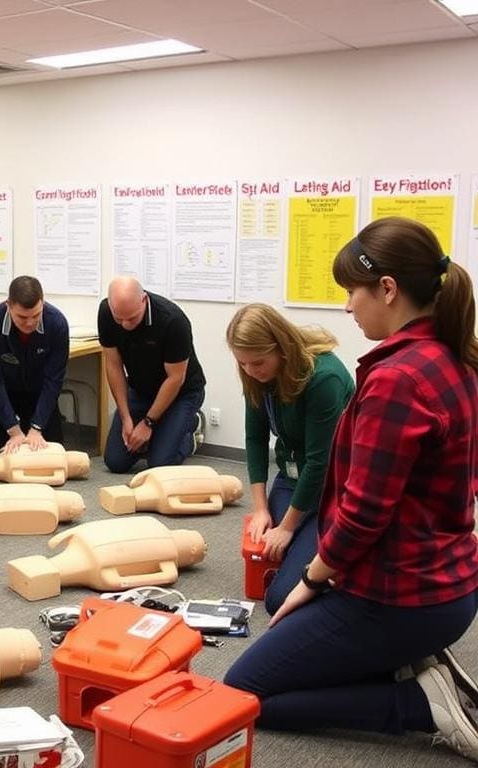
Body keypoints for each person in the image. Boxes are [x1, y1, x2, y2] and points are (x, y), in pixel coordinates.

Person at [224, 217, 478, 761]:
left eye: (351, 292)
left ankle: (417, 703)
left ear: (387, 289)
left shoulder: (397, 377)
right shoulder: (454, 355)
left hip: (402, 597)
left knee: (240, 692)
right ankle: (400, 661)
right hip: (445, 585)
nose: (346, 308)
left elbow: (363, 514)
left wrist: (313, 580)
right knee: (286, 632)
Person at [226, 303, 354, 615]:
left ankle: (341, 563)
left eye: (257, 362)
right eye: (243, 364)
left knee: (279, 597)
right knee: (273, 545)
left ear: (281, 348)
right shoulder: (255, 374)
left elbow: (319, 462)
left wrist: (286, 527)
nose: (251, 371)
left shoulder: (324, 377)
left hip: (337, 484)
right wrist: (259, 508)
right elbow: (255, 439)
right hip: (293, 478)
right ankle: (320, 552)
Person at [98, 276, 206, 472]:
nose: (125, 325)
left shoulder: (172, 321)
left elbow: (175, 378)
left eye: (132, 317)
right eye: (118, 318)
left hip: (181, 392)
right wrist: (126, 417)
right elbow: (114, 366)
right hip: (140, 390)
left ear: (144, 300)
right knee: (115, 462)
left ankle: (191, 430)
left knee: (159, 465)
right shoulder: (106, 312)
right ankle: (162, 434)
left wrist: (148, 423)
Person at [0, 275, 69, 460]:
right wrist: (13, 430)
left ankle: (31, 425)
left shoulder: (57, 324)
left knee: (51, 446)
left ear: (43, 303)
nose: (30, 323)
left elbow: (54, 379)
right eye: (22, 317)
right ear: (8, 305)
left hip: (37, 388)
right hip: (1, 388)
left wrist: (37, 427)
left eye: (36, 315)